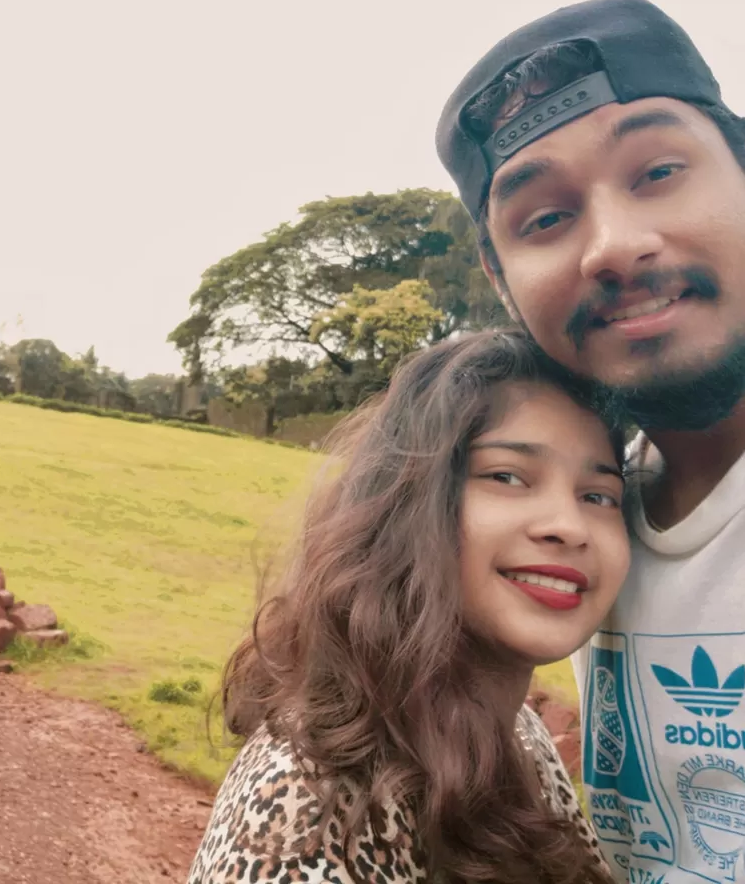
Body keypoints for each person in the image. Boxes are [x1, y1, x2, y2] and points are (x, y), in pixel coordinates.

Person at [435, 0, 745, 883]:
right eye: (544, 219)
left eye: (658, 171)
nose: (614, 246)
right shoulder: (586, 535)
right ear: (502, 281)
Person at [188, 330, 627, 884]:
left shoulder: (517, 733)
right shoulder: (313, 809)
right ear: (405, 506)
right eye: (508, 476)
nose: (568, 525)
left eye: (599, 496)